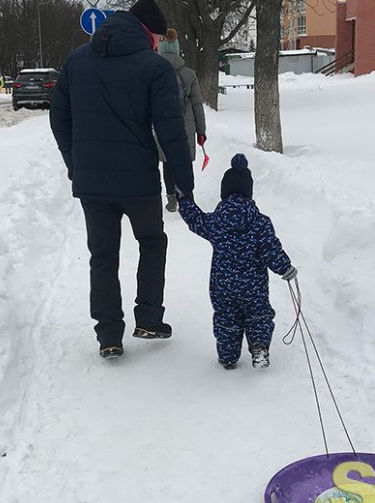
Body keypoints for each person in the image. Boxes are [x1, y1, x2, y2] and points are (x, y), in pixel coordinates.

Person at [49, 0, 195, 359]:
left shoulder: (76, 61)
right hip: (138, 181)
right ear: (149, 32)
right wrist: (184, 184)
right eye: (159, 37)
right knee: (151, 241)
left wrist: (75, 163)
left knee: (102, 256)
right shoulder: (155, 68)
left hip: (93, 183)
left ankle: (109, 336)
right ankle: (148, 318)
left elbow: (58, 119)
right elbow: (171, 130)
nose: (160, 45)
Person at [178, 154, 297, 370]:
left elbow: (196, 220)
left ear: (224, 191)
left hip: (222, 286)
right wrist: (285, 268)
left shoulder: (217, 221)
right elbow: (271, 249)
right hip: (254, 286)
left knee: (226, 321)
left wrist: (184, 200)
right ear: (249, 192)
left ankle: (228, 357)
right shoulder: (260, 222)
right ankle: (259, 346)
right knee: (259, 315)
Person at [156, 28, 207, 213]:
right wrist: (201, 131)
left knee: (167, 162)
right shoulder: (189, 74)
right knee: (183, 161)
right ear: (177, 49)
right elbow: (197, 105)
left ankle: (171, 198)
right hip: (185, 126)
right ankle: (186, 196)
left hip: (162, 125)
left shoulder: (153, 72)